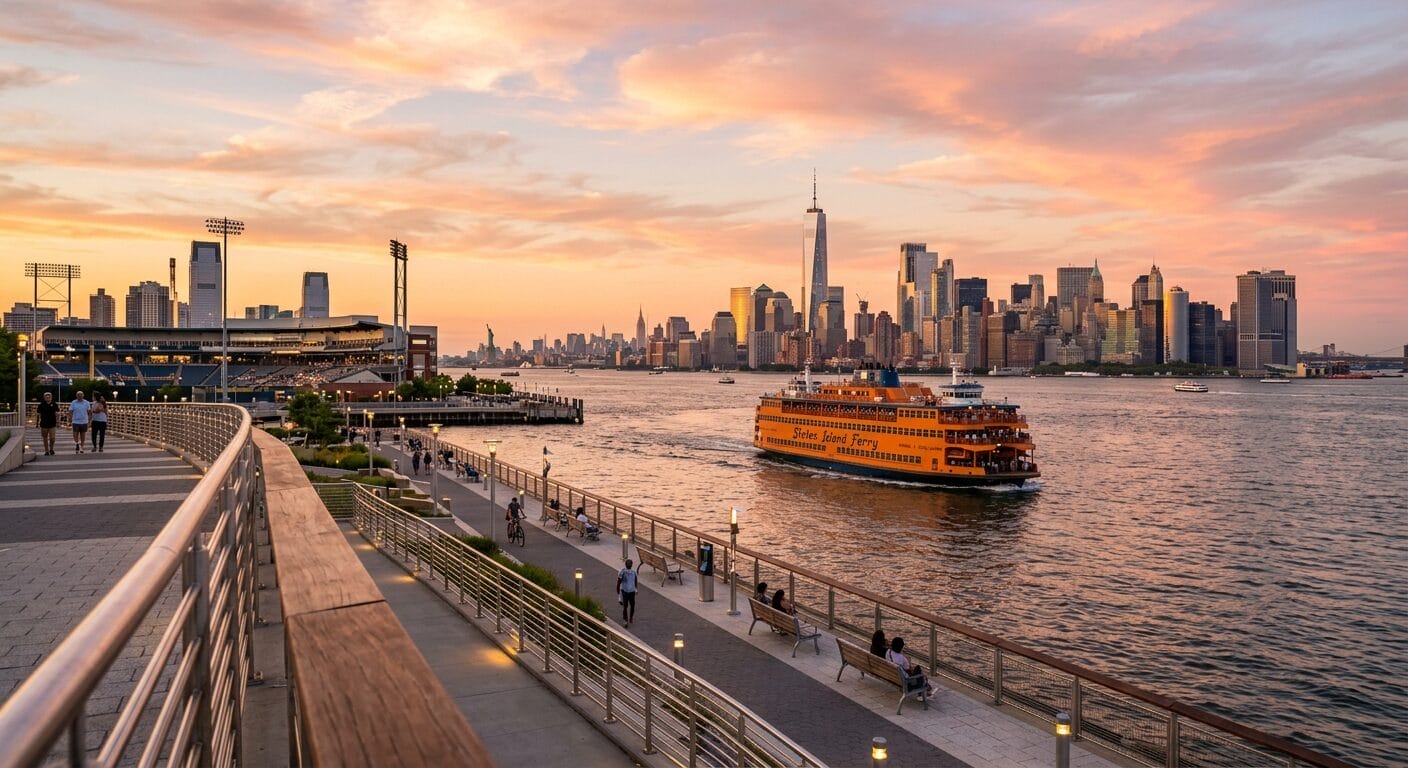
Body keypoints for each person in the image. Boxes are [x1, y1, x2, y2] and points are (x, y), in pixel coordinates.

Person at [617, 559, 638, 627]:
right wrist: (619, 596)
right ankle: (625, 620)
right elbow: (618, 583)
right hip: (624, 591)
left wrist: (636, 589)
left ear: (631, 565)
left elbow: (635, 581)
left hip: (632, 591)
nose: (629, 566)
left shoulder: (634, 572)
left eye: (630, 565)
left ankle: (631, 617)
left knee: (632, 605)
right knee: (625, 606)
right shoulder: (622, 572)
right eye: (628, 565)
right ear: (626, 565)